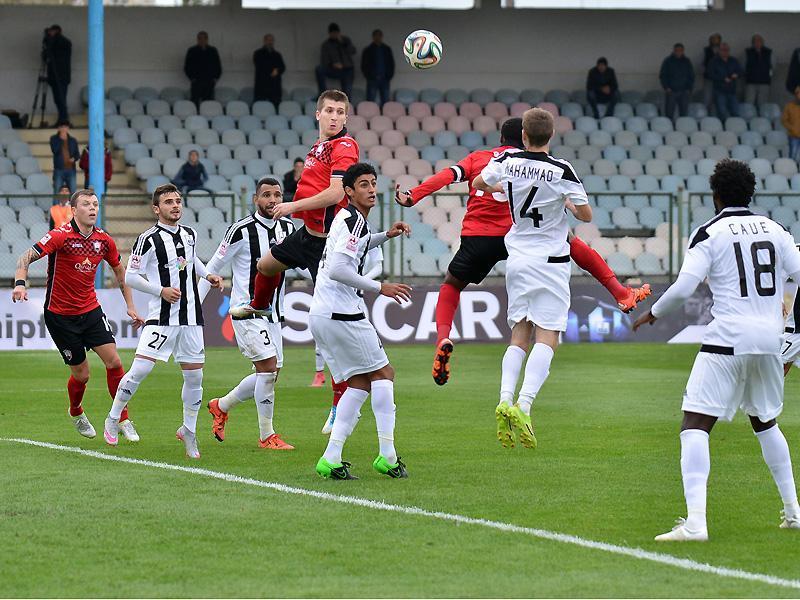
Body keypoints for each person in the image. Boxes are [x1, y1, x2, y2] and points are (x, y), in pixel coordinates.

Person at [396, 118, 650, 386]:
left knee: (452, 284)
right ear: (526, 137)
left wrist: (415, 195)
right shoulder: (534, 163)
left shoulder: (480, 158)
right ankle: (621, 293)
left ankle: (443, 337)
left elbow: (448, 176)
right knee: (570, 241)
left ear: (501, 138)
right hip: (520, 235)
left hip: (478, 235)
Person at [633, 159, 800, 540]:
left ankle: (696, 524)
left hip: (727, 339)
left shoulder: (709, 232)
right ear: (750, 193)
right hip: (769, 341)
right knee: (765, 422)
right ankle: (793, 512)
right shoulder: (776, 229)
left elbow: (684, 287)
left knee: (694, 424)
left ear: (716, 195)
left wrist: (653, 313)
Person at [228, 89, 360, 414]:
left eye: (340, 112)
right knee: (266, 265)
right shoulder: (319, 146)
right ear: (318, 114)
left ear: (345, 117)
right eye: (329, 110)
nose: (334, 116)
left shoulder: (344, 146)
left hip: (327, 245)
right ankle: (260, 306)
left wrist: (291, 206)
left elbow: (335, 194)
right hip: (307, 236)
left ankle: (339, 404)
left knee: (330, 328)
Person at [474, 108, 592, 450]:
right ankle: (524, 406)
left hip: (518, 259)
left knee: (519, 334)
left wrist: (502, 186)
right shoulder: (561, 169)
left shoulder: (507, 160)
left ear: (523, 135)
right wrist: (567, 204)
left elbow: (479, 183)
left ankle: (504, 398)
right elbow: (585, 214)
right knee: (548, 335)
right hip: (550, 261)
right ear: (551, 136)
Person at [103, 184, 224, 459]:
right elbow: (131, 277)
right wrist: (161, 291)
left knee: (195, 377)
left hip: (191, 318)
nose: (175, 205)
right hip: (161, 318)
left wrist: (207, 275)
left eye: (178, 201)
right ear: (156, 209)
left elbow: (191, 261)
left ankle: (189, 431)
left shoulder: (190, 234)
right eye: (169, 202)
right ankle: (113, 417)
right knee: (139, 371)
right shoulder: (148, 239)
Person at [12, 189, 144, 440]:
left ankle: (122, 418)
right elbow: (25, 257)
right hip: (60, 316)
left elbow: (120, 271)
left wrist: (130, 305)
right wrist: (20, 284)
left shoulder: (104, 240)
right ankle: (76, 411)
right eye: (86, 204)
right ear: (74, 210)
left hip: (90, 310)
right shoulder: (59, 236)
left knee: (115, 362)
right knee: (82, 375)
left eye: (95, 204)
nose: (93, 208)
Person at [312, 162, 412, 480]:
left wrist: (386, 235)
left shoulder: (348, 219)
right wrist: (380, 287)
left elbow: (355, 248)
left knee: (359, 382)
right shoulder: (353, 220)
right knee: (384, 373)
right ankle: (387, 456)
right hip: (342, 312)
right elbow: (338, 270)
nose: (371, 189)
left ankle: (331, 458)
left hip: (322, 313)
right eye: (364, 185)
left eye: (373, 183)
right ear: (349, 191)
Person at [201, 177, 295, 450]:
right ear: (256, 199)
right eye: (266, 195)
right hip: (247, 311)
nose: (272, 200)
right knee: (267, 368)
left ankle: (221, 405)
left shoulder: (288, 227)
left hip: (274, 313)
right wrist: (194, 307)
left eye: (277, 195)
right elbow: (212, 267)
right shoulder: (241, 230)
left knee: (271, 373)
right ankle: (267, 436)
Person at [320, 244, 383, 434]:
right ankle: (338, 406)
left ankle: (344, 407)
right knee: (335, 356)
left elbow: (378, 267)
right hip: (331, 301)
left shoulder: (366, 233)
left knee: (375, 368)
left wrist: (361, 281)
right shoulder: (336, 237)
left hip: (354, 303)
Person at [315, 24, 356, 99]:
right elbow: (324, 60)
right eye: (333, 33)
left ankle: (346, 102)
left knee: (347, 93)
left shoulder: (345, 40)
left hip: (347, 70)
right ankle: (323, 95)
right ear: (329, 34)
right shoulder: (326, 44)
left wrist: (343, 43)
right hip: (333, 69)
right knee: (319, 69)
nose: (335, 35)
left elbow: (353, 51)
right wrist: (333, 64)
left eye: (336, 33)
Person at [42, 25, 71, 123]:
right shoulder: (52, 42)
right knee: (57, 99)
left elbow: (56, 55)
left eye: (52, 31)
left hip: (61, 76)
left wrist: (50, 41)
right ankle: (61, 119)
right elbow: (46, 57)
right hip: (53, 76)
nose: (50, 33)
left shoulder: (64, 42)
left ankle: (64, 120)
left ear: (57, 31)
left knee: (61, 98)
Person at [184, 31, 222, 106]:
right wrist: (192, 78)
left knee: (208, 103)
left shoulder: (213, 50)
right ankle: (194, 114)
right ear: (197, 40)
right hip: (196, 81)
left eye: (204, 38)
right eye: (200, 38)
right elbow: (187, 67)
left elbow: (218, 65)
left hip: (209, 81)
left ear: (207, 39)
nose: (202, 40)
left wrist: (215, 78)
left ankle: (207, 114)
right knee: (194, 102)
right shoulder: (192, 50)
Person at [659, 43, 694, 120]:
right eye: (676, 50)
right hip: (671, 91)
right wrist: (666, 87)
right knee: (669, 113)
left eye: (680, 50)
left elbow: (691, 76)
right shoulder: (668, 61)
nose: (678, 52)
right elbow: (663, 75)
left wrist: (689, 88)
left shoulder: (687, 61)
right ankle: (669, 126)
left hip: (684, 91)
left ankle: (683, 126)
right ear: (674, 51)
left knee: (684, 114)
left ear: (683, 51)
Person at [709, 43, 743, 121]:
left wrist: (737, 74)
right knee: (722, 111)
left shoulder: (733, 60)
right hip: (719, 90)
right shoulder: (714, 61)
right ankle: (723, 126)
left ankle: (735, 126)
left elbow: (741, 71)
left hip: (732, 90)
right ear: (719, 51)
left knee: (735, 111)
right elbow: (710, 74)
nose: (725, 52)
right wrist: (723, 78)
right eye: (723, 50)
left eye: (727, 50)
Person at [361, 29, 395, 107]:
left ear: (382, 37)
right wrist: (368, 76)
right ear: (373, 37)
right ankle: (369, 114)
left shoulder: (387, 49)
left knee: (385, 101)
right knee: (370, 100)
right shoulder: (368, 50)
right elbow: (364, 65)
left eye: (379, 36)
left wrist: (389, 75)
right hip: (372, 79)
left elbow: (391, 63)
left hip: (385, 78)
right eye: (376, 36)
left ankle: (385, 114)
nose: (378, 37)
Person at [253, 33, 285, 108]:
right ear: (264, 41)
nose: (270, 42)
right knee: (260, 107)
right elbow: (260, 66)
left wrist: (277, 70)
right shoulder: (258, 53)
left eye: (272, 40)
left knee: (276, 107)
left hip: (275, 87)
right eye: (268, 40)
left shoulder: (277, 54)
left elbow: (283, 67)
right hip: (262, 86)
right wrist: (272, 71)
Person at [50, 120, 79, 194]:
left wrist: (74, 159)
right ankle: (56, 203)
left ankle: (72, 203)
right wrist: (61, 139)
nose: (63, 129)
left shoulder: (73, 140)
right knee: (57, 191)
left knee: (73, 192)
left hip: (71, 169)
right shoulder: (53, 139)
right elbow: (55, 150)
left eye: (65, 127)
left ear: (68, 128)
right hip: (59, 170)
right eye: (61, 127)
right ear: (58, 128)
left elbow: (77, 154)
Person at [745, 34, 772, 107]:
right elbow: (743, 66)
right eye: (755, 41)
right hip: (751, 82)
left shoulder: (769, 52)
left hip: (764, 82)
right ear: (752, 43)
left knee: (763, 104)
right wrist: (747, 75)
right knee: (749, 103)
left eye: (759, 41)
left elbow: (772, 67)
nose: (757, 43)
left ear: (762, 42)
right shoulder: (747, 52)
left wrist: (769, 76)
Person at [703, 33, 722, 112]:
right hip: (709, 77)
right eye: (713, 39)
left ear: (719, 40)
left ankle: (717, 114)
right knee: (707, 97)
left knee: (719, 97)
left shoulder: (723, 50)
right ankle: (706, 113)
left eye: (716, 39)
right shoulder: (706, 50)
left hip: (720, 78)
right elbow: (704, 63)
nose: (714, 40)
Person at [781, 86, 800, 162]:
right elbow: (784, 120)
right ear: (796, 95)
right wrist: (792, 128)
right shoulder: (789, 106)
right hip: (794, 136)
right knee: (793, 156)